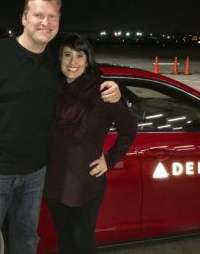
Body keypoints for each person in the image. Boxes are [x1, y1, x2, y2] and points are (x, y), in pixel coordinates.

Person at [0, 0, 121, 254]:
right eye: (38, 15)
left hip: (35, 171)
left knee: (27, 240)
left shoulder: (54, 61)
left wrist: (113, 87)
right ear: (24, 18)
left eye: (52, 16)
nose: (46, 22)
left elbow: (83, 75)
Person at [44, 33, 137, 254]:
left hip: (84, 180)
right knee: (64, 240)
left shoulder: (103, 91)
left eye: (79, 55)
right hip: (54, 178)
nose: (72, 62)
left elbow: (128, 129)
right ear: (59, 58)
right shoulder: (51, 88)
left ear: (88, 60)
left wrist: (110, 159)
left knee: (82, 241)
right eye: (67, 55)